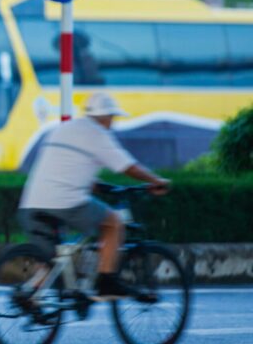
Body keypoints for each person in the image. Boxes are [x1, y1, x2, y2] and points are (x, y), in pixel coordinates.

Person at [18, 92, 170, 301]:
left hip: (31, 203)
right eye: (112, 118)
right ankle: (106, 283)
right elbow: (128, 167)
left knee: (51, 258)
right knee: (113, 223)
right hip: (65, 202)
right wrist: (156, 181)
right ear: (106, 117)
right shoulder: (97, 134)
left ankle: (29, 296)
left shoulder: (63, 129)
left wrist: (101, 187)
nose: (113, 123)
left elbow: (67, 171)